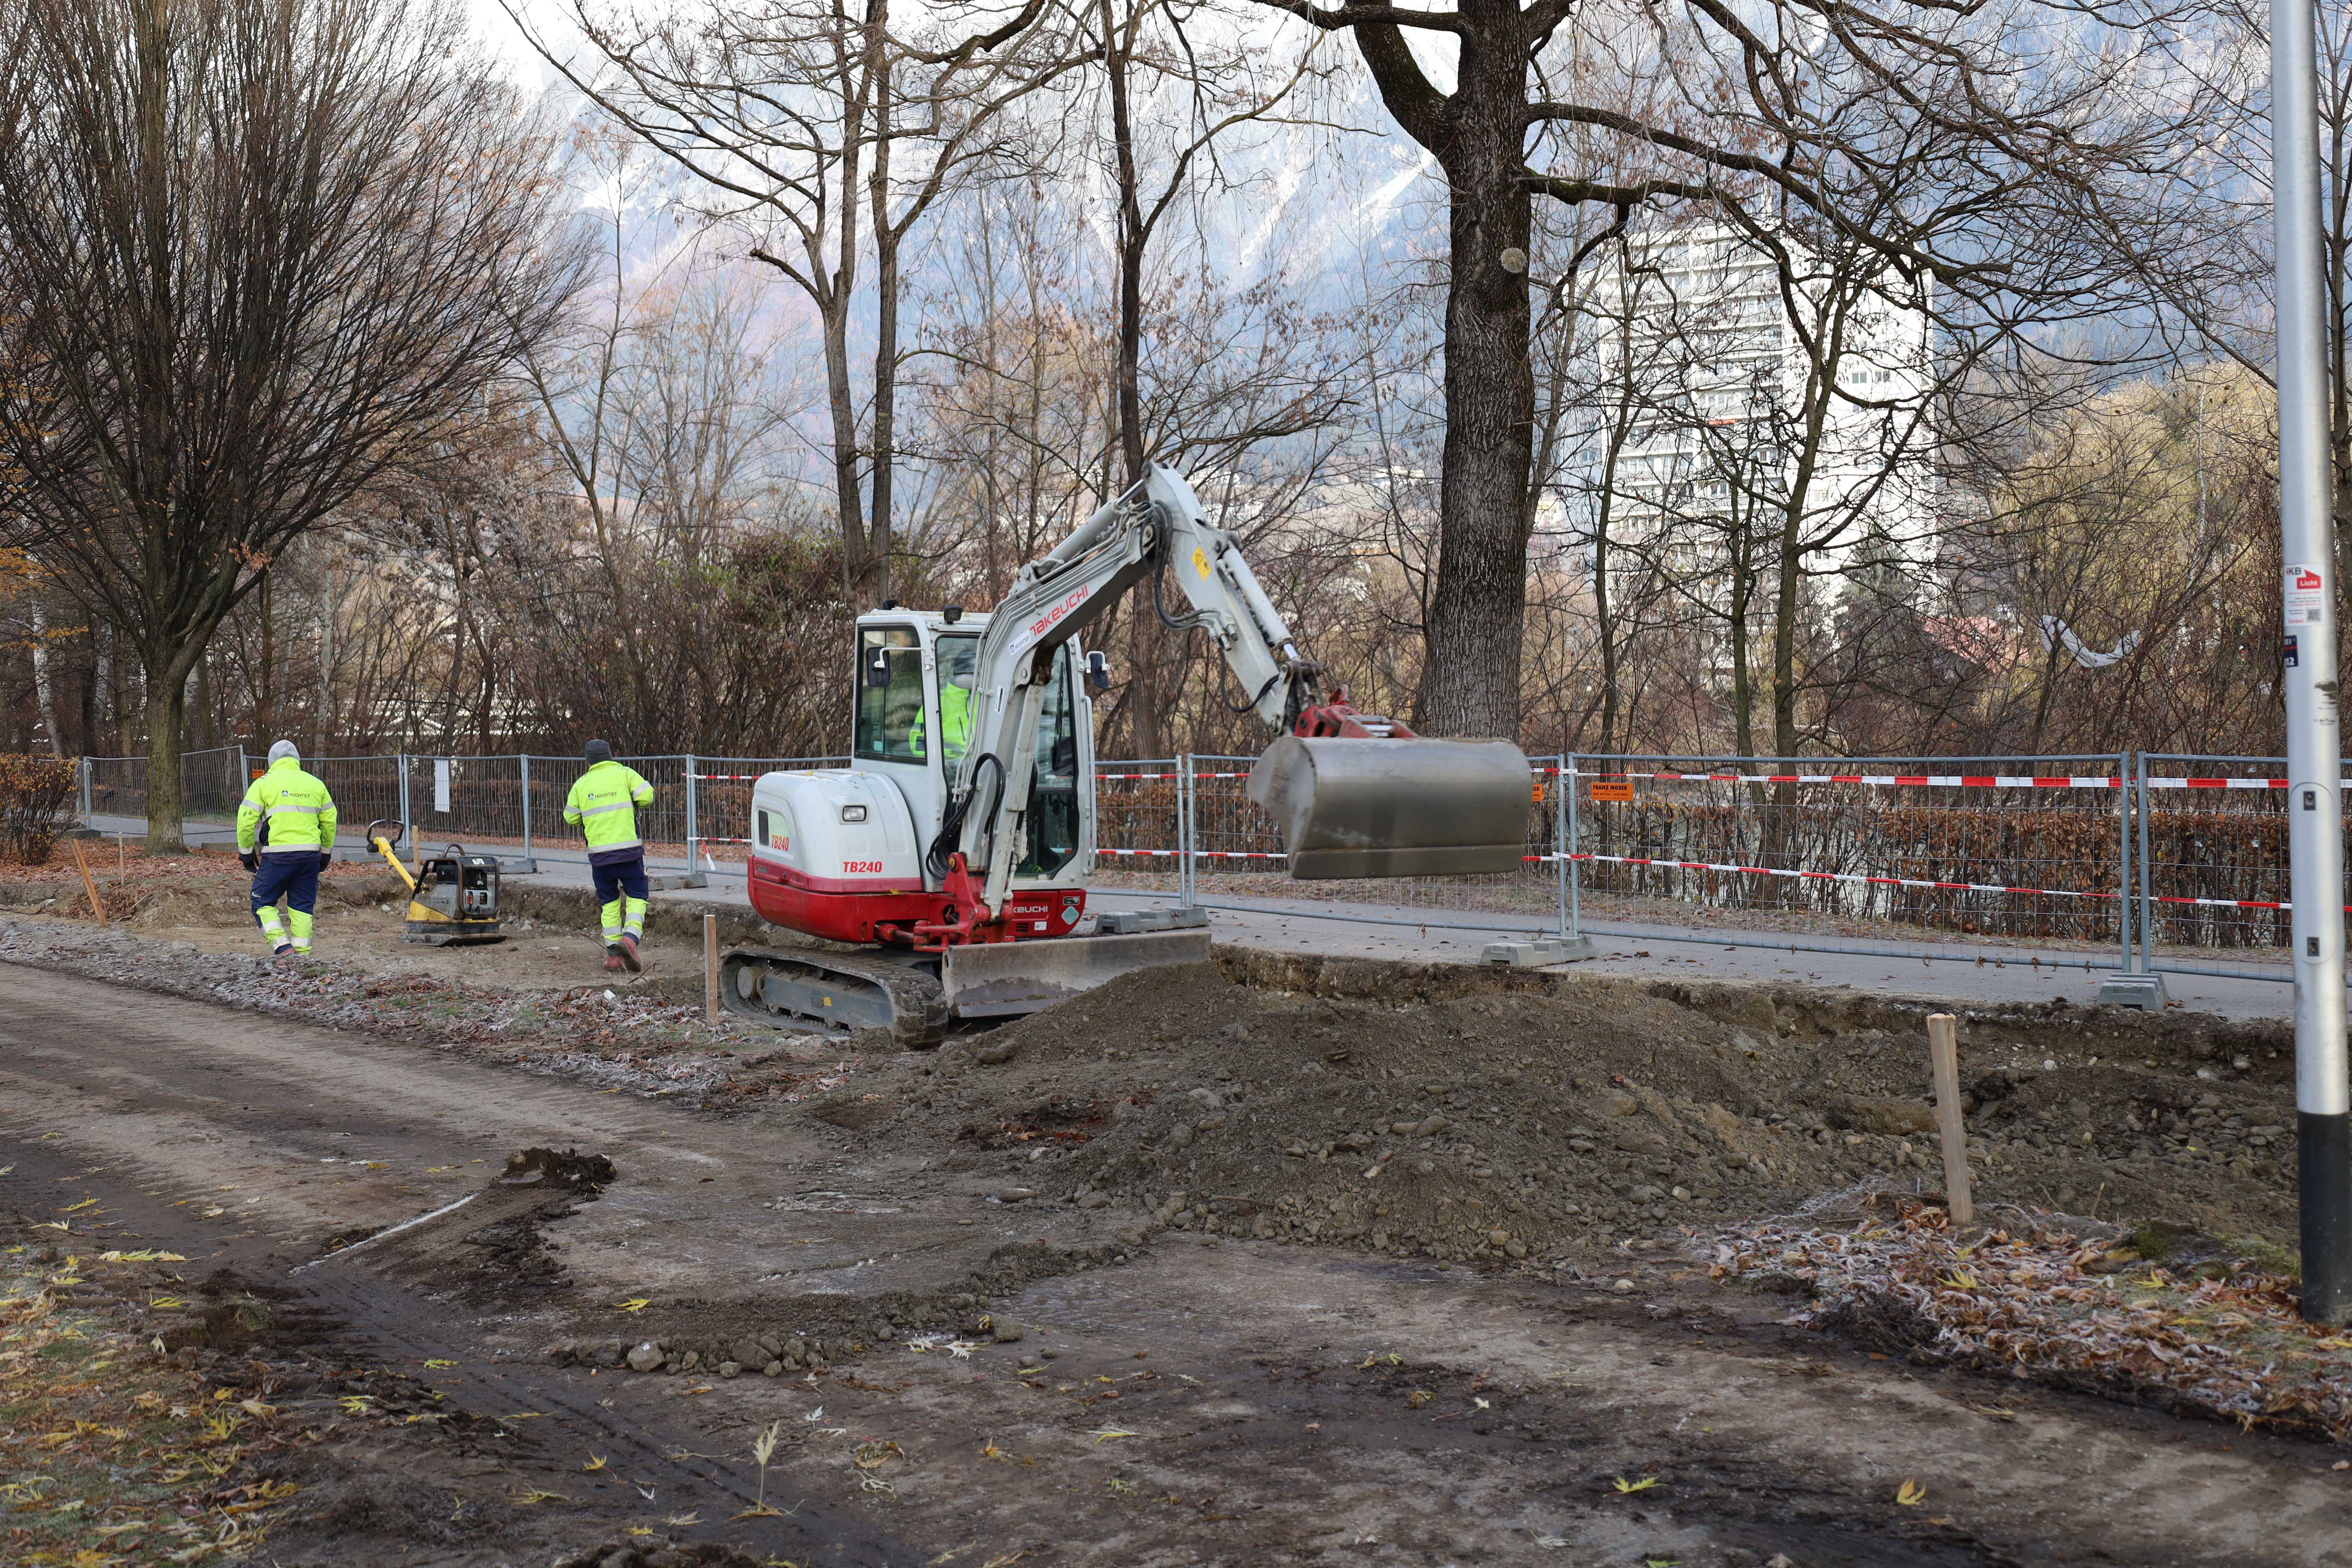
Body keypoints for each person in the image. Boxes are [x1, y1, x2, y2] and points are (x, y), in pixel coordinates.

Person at [235, 740, 337, 963]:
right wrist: (325, 854)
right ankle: (302, 958)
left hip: (278, 856)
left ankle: (283, 949)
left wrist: (247, 855)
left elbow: (245, 822)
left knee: (261, 901)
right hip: (310, 856)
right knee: (302, 906)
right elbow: (329, 822)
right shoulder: (316, 784)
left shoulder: (264, 783)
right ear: (297, 761)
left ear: (272, 762)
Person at [564, 740, 655, 972]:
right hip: (629, 854)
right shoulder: (625, 774)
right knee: (637, 895)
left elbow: (571, 817)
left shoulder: (581, 784)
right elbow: (647, 797)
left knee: (609, 903)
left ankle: (614, 957)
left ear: (588, 761)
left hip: (600, 859)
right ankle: (630, 940)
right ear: (611, 755)